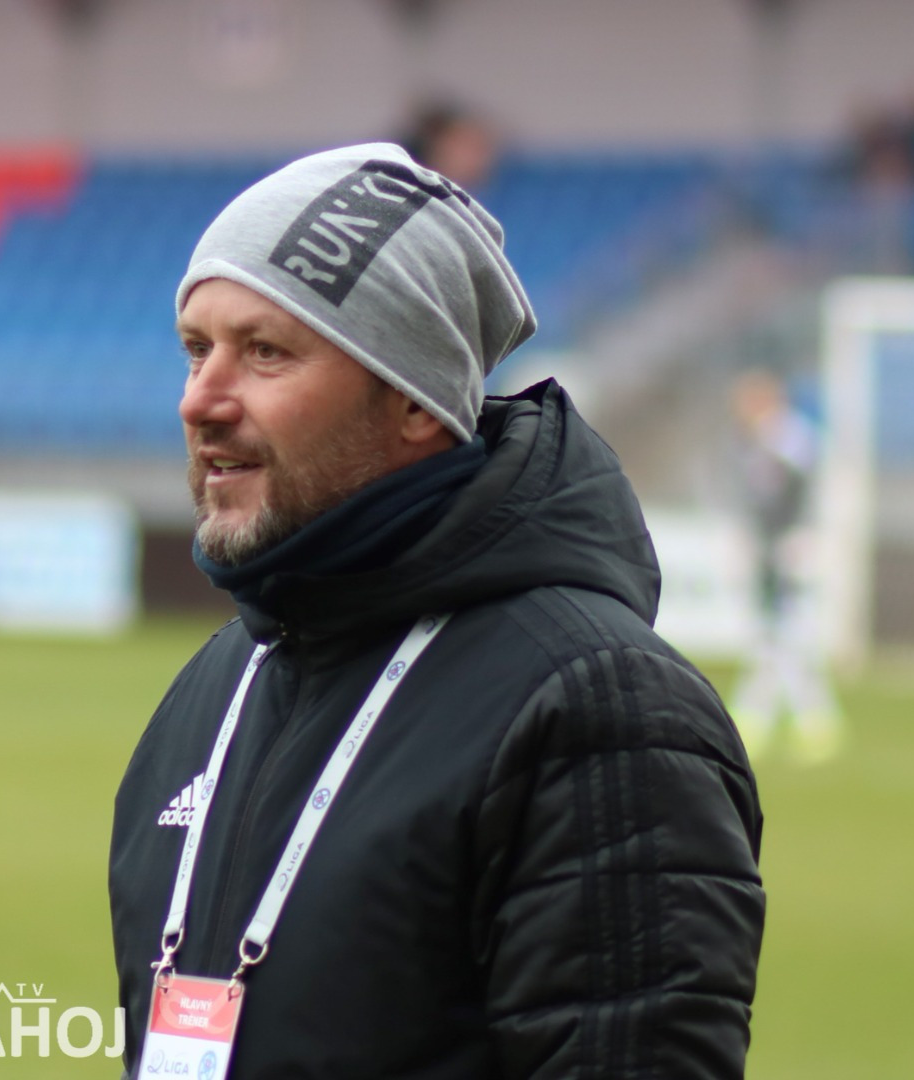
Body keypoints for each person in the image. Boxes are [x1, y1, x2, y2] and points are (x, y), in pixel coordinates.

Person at [108, 144, 764, 1079]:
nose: (200, 400)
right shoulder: (215, 684)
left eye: (265, 352)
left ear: (413, 402)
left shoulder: (596, 709)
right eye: (195, 348)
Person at [728, 369, 843, 763]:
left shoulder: (790, 438)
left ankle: (775, 721)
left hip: (794, 548)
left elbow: (797, 494)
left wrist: (791, 540)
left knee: (781, 637)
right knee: (781, 639)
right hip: (777, 548)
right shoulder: (763, 439)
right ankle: (809, 723)